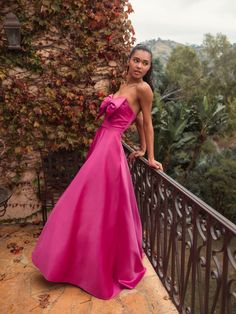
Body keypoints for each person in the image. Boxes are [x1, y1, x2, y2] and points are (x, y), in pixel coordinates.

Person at [31, 44, 163, 300]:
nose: (140, 66)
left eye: (145, 63)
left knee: (79, 200)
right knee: (88, 203)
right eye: (136, 60)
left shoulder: (143, 89)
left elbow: (147, 122)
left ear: (149, 68)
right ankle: (74, 261)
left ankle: (91, 266)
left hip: (110, 151)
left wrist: (151, 156)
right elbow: (135, 119)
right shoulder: (125, 84)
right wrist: (141, 147)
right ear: (128, 61)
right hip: (100, 143)